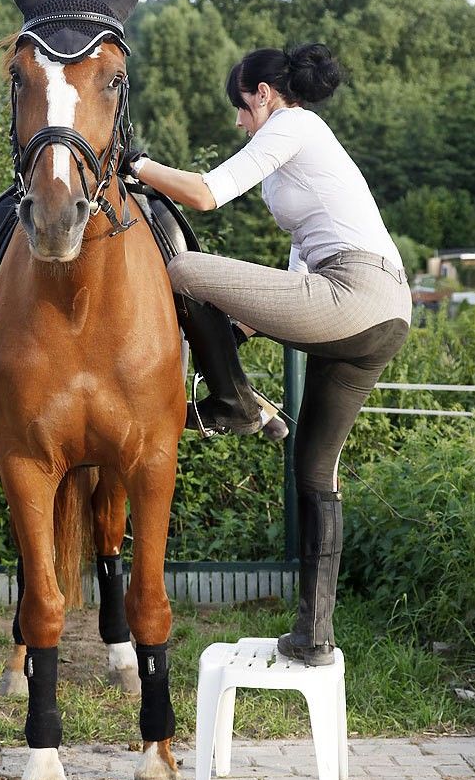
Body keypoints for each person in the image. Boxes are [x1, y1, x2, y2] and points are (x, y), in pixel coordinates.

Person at [126, 43, 412, 665]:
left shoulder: (294, 125)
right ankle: (314, 637)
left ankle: (232, 404)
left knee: (185, 268)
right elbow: (295, 272)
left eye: (241, 106)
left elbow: (204, 194)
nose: (238, 121)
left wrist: (137, 164)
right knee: (313, 471)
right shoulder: (299, 153)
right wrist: (233, 333)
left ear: (263, 94)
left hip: (356, 294)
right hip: (380, 313)